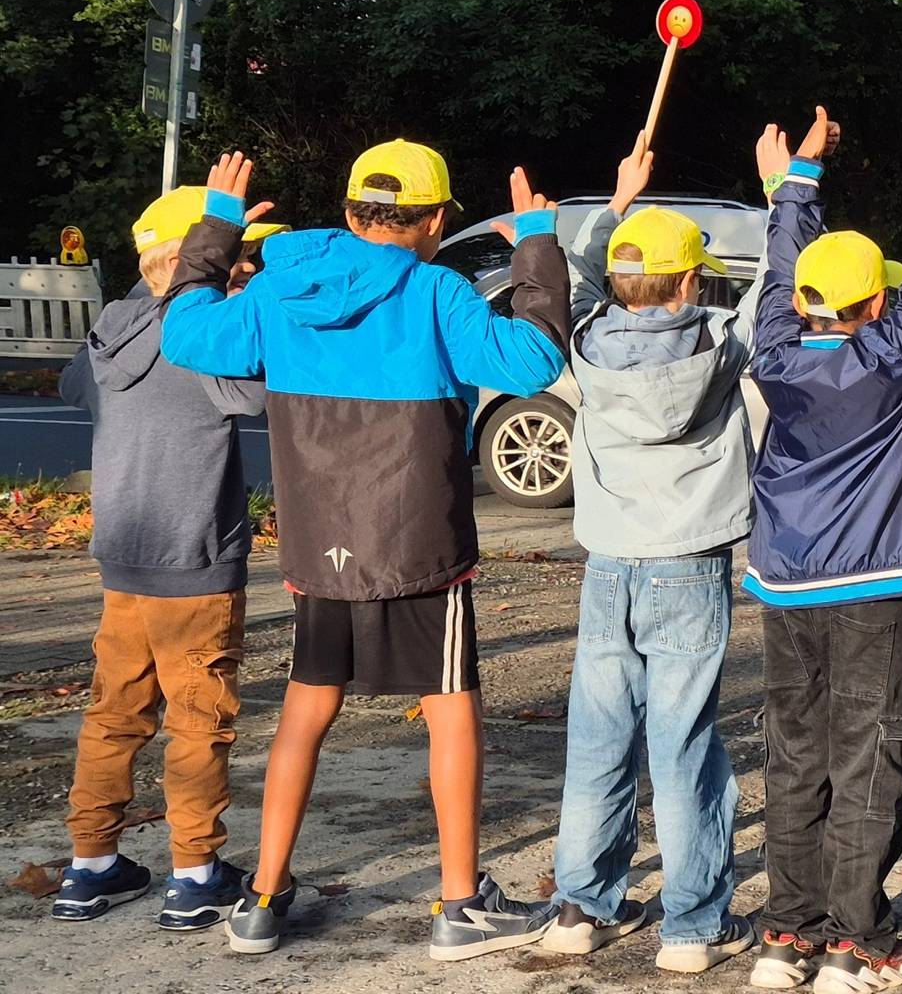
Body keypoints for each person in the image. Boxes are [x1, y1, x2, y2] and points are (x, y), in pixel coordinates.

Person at [159, 141, 569, 960]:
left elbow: (187, 334)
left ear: (350, 213)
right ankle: (459, 905)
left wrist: (217, 227)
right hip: (419, 543)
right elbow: (535, 356)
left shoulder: (278, 290)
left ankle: (263, 900)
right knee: (451, 712)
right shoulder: (437, 292)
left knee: (307, 709)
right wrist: (536, 244)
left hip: (322, 545)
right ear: (438, 221)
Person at [744, 96, 902, 994]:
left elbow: (779, 270)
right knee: (870, 754)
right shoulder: (896, 350)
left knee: (795, 754)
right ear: (877, 302)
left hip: (788, 583)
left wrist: (797, 181)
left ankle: (786, 933)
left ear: (804, 303)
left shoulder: (774, 347)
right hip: (877, 586)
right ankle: (856, 940)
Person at [534, 130, 759, 972]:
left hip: (609, 566)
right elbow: (778, 291)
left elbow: (580, 275)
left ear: (623, 285)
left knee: (597, 739)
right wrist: (789, 189)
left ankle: (580, 908)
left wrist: (616, 202)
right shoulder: (720, 343)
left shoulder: (585, 343)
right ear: (693, 279)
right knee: (683, 741)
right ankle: (693, 927)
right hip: (691, 566)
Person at [50, 186, 282, 931]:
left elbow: (70, 385)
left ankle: (89, 867)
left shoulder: (112, 327)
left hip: (122, 555)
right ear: (198, 264)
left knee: (114, 712)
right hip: (194, 558)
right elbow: (256, 396)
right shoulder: (201, 339)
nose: (245, 267)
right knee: (197, 717)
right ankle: (194, 872)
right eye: (238, 257)